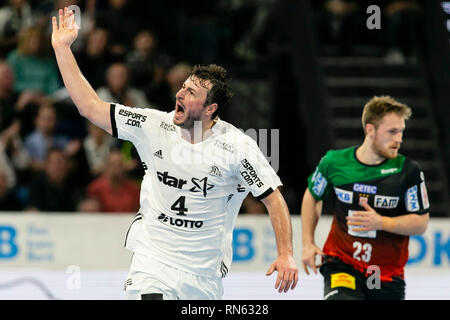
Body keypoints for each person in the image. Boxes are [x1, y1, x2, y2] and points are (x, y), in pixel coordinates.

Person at [51, 7, 298, 300]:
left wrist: (286, 254)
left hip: (203, 274)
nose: (180, 94)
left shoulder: (237, 147)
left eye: (192, 92)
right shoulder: (152, 125)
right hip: (153, 261)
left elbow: (273, 198)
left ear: (210, 109)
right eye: (183, 87)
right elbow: (90, 107)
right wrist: (62, 48)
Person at [301, 95, 429, 300]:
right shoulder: (334, 162)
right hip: (342, 263)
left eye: (401, 131)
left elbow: (420, 223)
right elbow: (312, 195)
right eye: (392, 132)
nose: (399, 139)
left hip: (382, 274)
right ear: (370, 130)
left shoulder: (408, 171)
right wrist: (307, 243)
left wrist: (381, 222)